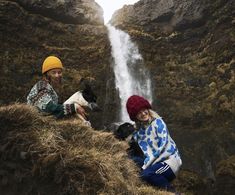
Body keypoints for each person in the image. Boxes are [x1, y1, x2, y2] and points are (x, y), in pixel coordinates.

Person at [126, 95, 182, 191]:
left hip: (168, 160)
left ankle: (172, 192)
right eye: (139, 113)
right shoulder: (140, 132)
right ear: (135, 117)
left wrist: (146, 166)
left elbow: (163, 148)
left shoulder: (158, 122)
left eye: (144, 110)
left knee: (146, 174)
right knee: (131, 158)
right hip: (155, 162)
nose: (143, 113)